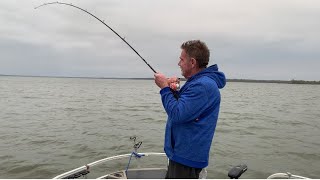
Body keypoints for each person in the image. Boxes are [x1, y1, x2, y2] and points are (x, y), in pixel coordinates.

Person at [154, 40, 226, 179]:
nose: (178, 63)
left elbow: (177, 114)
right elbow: (187, 110)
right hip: (183, 155)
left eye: (181, 59)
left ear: (192, 62)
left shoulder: (202, 86)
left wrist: (164, 88)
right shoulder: (198, 83)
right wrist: (173, 91)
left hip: (186, 158)